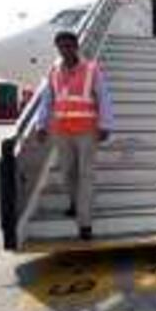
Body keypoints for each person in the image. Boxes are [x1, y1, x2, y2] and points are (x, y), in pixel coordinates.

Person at [35, 30, 114, 241]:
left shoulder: (91, 69)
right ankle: (74, 201)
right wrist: (41, 125)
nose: (65, 50)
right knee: (68, 173)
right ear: (58, 48)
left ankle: (85, 223)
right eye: (61, 46)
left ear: (76, 46)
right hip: (61, 131)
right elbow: (47, 101)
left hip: (86, 131)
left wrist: (105, 124)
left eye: (68, 46)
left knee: (86, 175)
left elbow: (104, 97)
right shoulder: (54, 71)